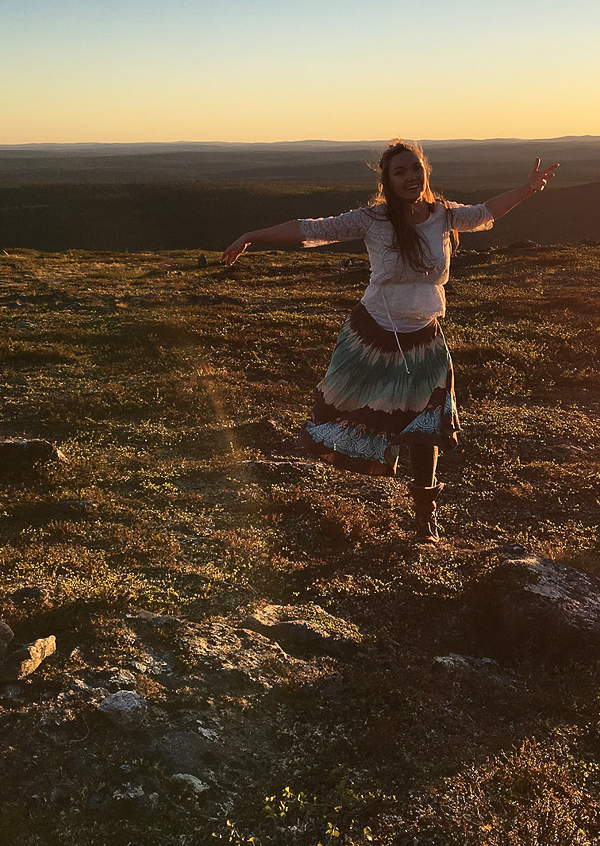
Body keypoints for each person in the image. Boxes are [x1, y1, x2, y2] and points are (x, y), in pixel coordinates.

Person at [221, 139, 558, 543]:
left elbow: (486, 212)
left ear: (425, 171)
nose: (410, 177)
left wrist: (527, 188)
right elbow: (310, 228)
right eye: (400, 172)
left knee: (427, 424)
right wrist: (251, 236)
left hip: (425, 338)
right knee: (359, 414)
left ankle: (424, 517)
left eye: (415, 168)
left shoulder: (443, 216)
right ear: (387, 180)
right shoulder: (372, 220)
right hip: (373, 337)